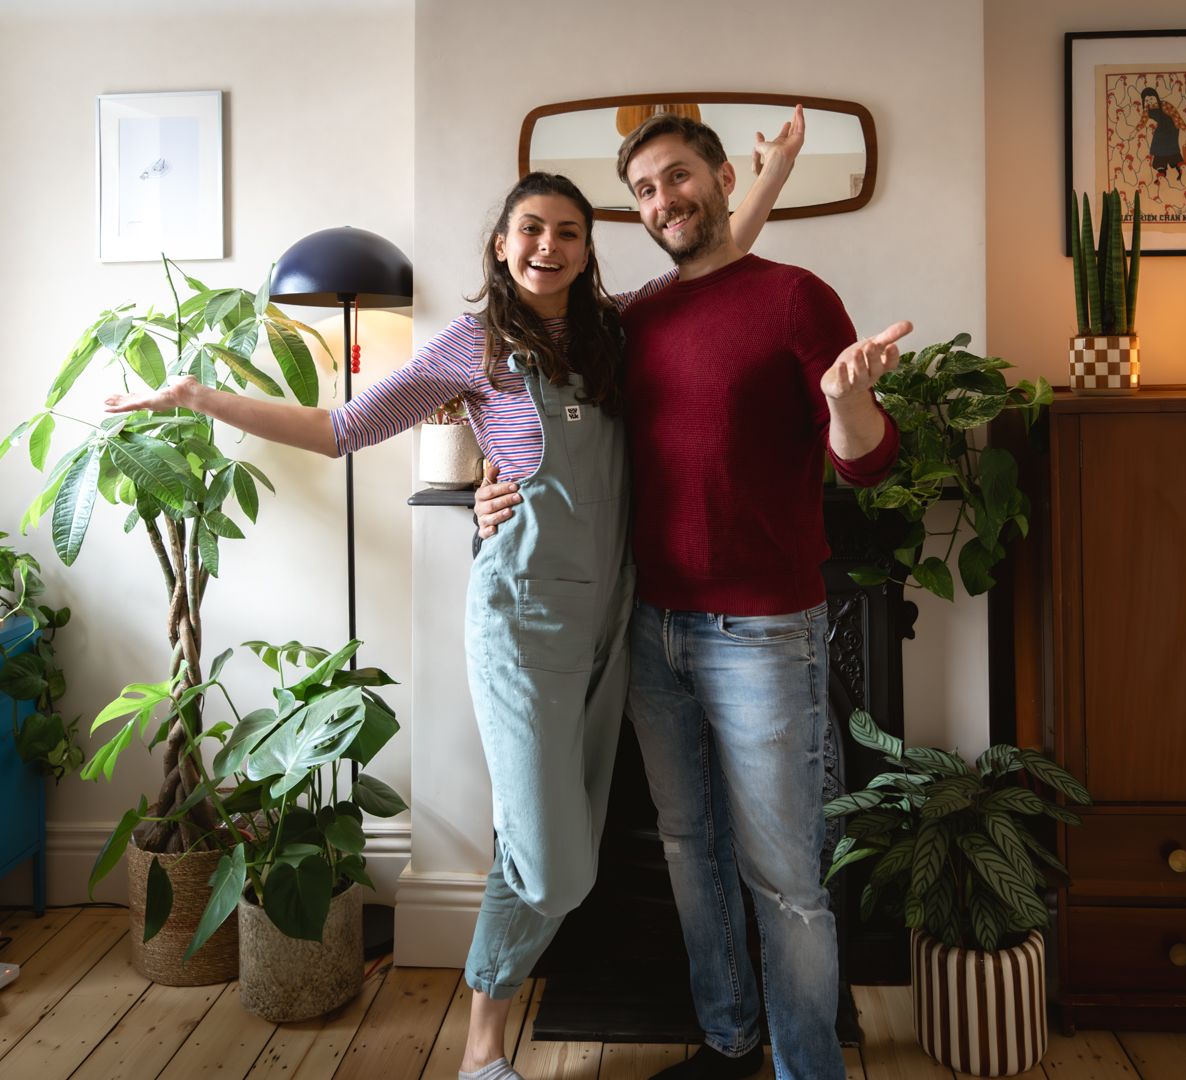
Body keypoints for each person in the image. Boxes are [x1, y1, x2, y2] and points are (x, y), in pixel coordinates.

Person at [104, 129, 800, 1080]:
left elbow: (713, 257)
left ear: (589, 249)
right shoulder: (469, 347)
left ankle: (483, 1049)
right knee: (551, 861)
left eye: (567, 230)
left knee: (568, 857)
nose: (547, 245)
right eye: (530, 229)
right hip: (522, 627)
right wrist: (205, 398)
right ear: (501, 246)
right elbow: (340, 427)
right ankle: (481, 1050)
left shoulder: (617, 334)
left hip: (611, 629)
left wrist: (773, 175)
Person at [475, 113, 907, 1080]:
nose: (663, 200)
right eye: (644, 191)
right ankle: (728, 1039)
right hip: (649, 626)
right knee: (688, 850)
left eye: (679, 178)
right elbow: (557, 437)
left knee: (788, 880)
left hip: (763, 632)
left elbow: (870, 463)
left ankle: (805, 1067)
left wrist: (848, 405)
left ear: (719, 178)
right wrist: (487, 483)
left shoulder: (798, 300)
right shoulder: (634, 319)